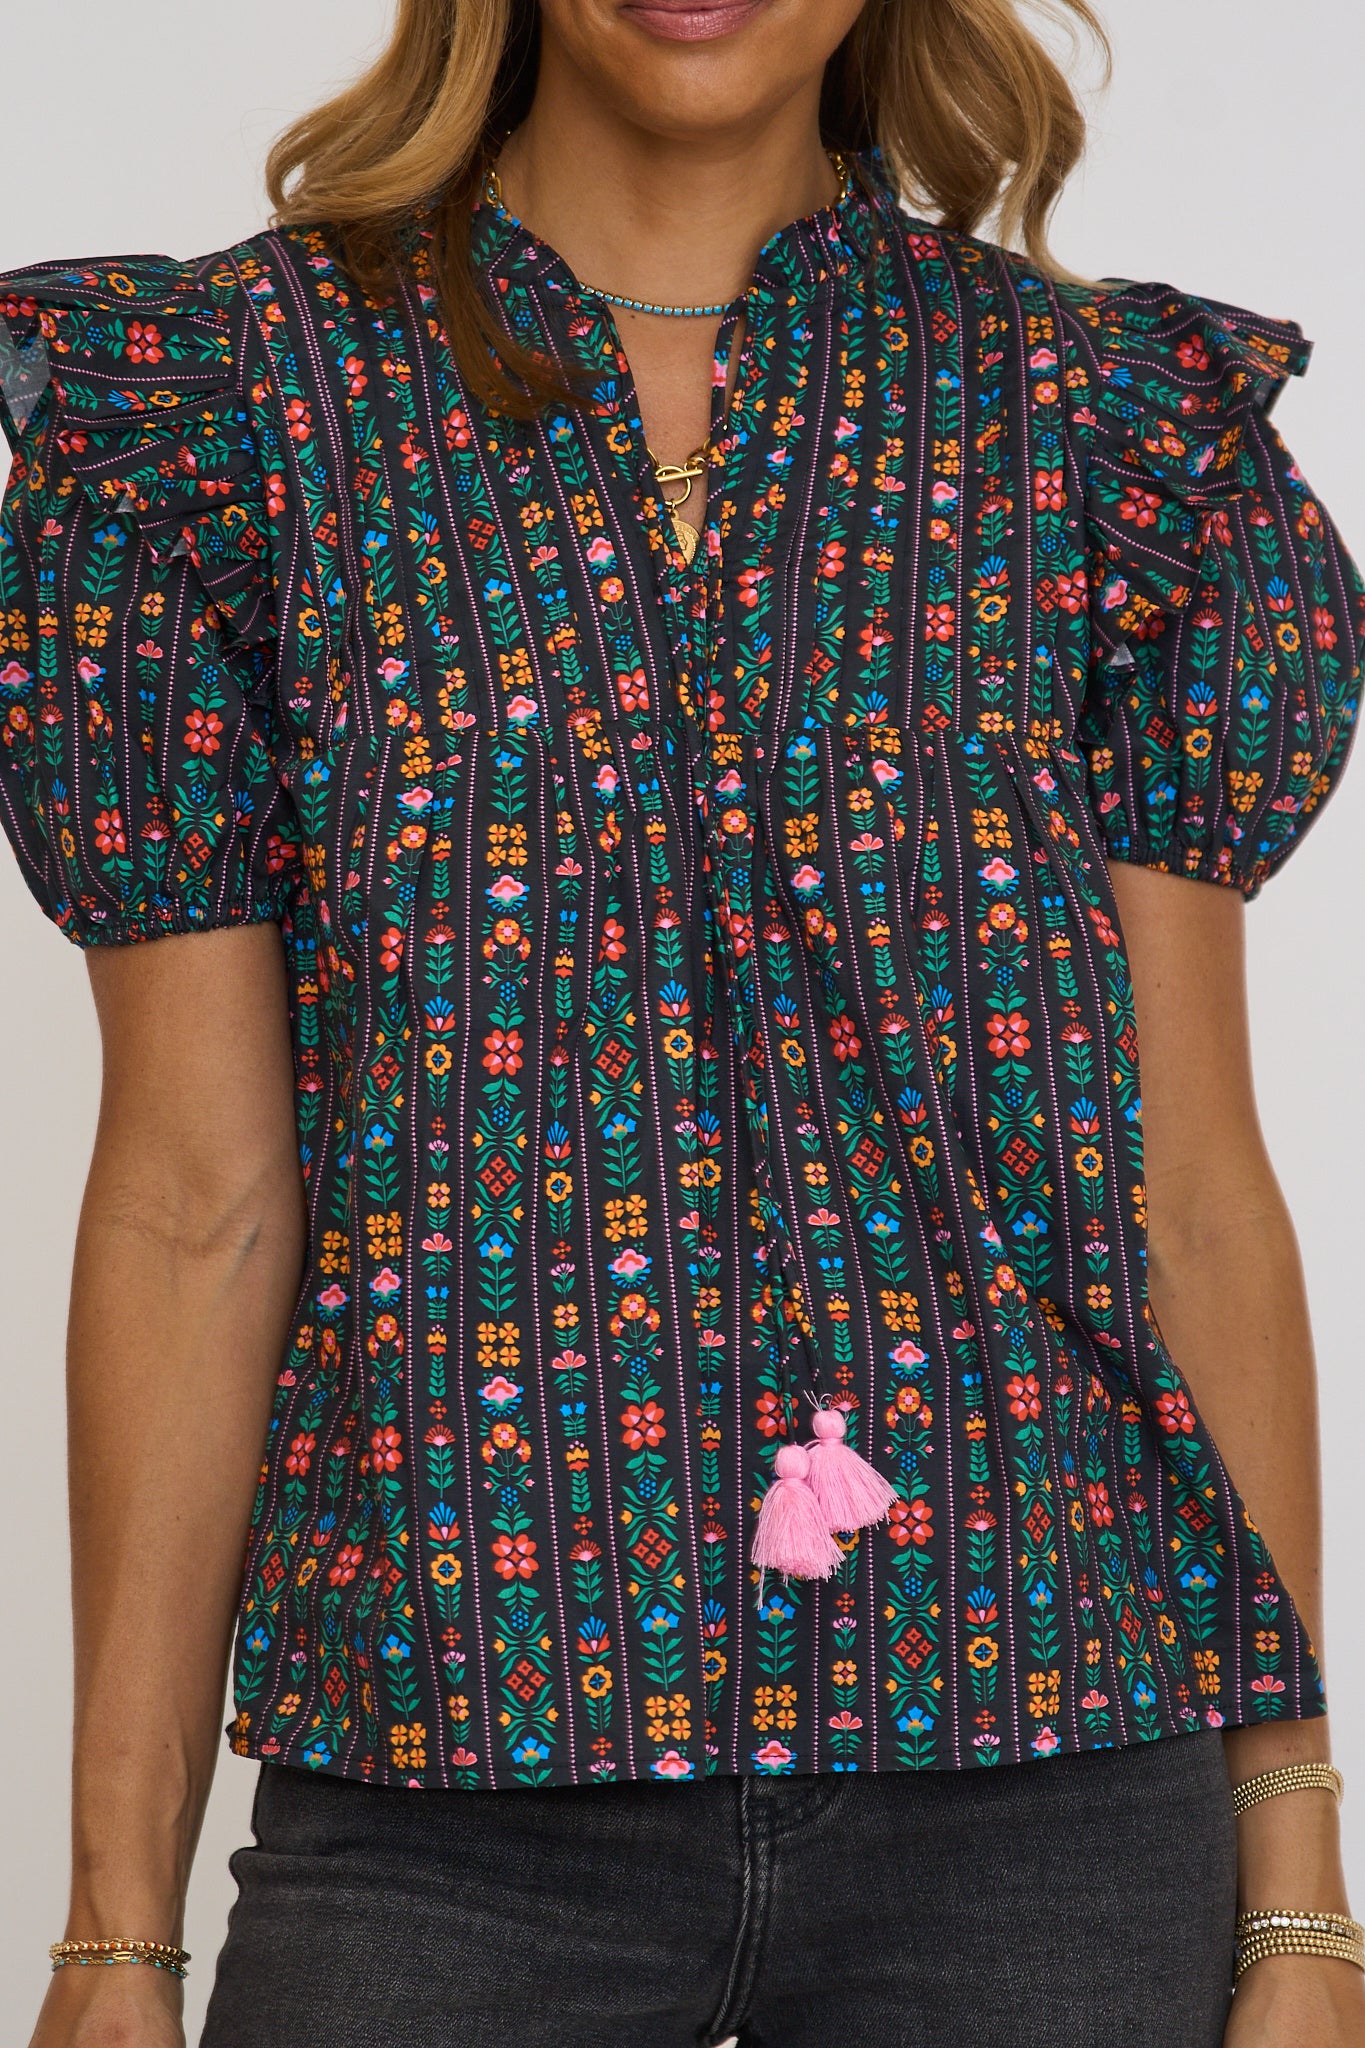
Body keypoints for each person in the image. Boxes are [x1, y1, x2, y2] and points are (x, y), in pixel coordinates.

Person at [4, 1, 1362, 2043]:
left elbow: (1182, 1195)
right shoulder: (227, 418)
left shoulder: (1095, 432)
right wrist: (115, 1933)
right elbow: (197, 1207)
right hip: (448, 1788)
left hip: (1047, 1780)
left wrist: (1297, 1896)